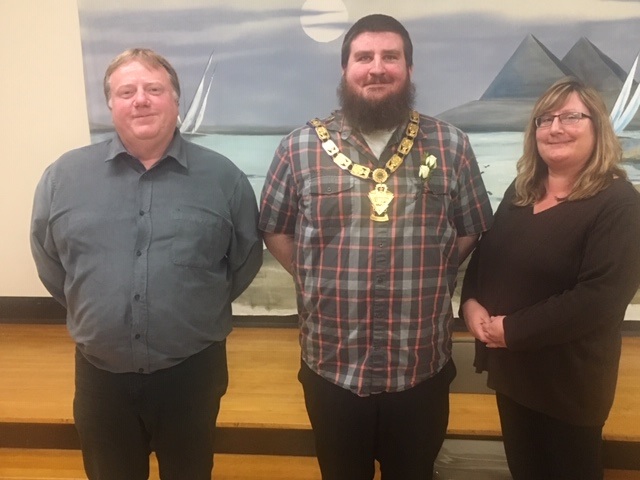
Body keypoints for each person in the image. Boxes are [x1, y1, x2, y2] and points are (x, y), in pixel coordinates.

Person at [259, 14, 493, 480]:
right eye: (363, 57)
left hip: (419, 366)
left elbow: (470, 228)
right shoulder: (299, 147)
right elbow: (275, 228)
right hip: (332, 366)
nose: (377, 67)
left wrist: (434, 268)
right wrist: (313, 273)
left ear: (408, 68)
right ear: (345, 69)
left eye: (391, 56)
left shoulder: (450, 145)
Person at [30, 48, 263, 479]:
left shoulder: (224, 178)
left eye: (154, 89)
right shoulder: (63, 178)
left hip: (191, 374)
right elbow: (52, 264)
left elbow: (244, 261)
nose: (141, 99)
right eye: (127, 91)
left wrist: (188, 306)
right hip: (102, 378)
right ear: (111, 104)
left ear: (175, 101)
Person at [461, 77, 640, 480]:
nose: (555, 128)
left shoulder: (619, 204)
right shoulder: (522, 190)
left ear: (598, 128)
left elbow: (600, 298)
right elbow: (487, 256)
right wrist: (470, 304)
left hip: (568, 384)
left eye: (571, 117)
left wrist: (513, 330)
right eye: (545, 119)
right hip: (513, 373)